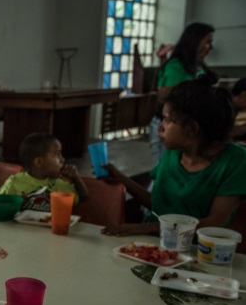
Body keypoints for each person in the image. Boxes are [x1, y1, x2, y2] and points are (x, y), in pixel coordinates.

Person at [102, 75, 246, 236]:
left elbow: (214, 223)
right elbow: (159, 207)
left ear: (192, 129)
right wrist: (122, 179)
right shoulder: (173, 152)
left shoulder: (235, 161)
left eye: (167, 120)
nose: (160, 127)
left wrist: (146, 228)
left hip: (198, 252)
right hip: (155, 244)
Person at [149, 22, 215, 164]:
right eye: (207, 42)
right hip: (169, 127)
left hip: (187, 130)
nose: (211, 47)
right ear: (195, 42)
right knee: (164, 173)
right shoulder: (176, 66)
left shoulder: (199, 68)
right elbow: (164, 96)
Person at [0, 133, 89, 212]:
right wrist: (16, 201)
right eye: (57, 154)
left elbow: (83, 198)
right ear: (39, 162)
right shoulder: (15, 183)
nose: (63, 159)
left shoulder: (58, 185)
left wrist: (76, 177)